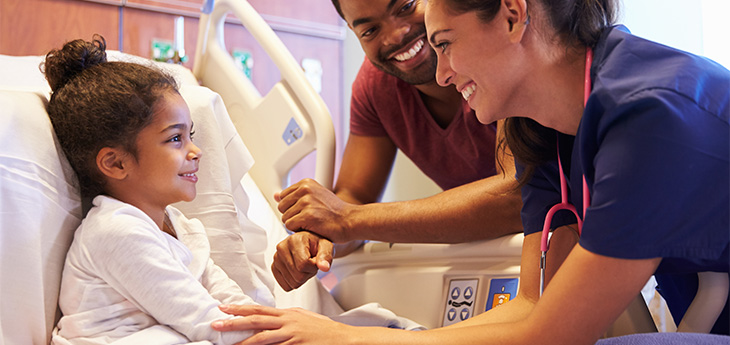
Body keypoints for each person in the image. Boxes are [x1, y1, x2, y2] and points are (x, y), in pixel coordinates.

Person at [211, 0, 730, 343]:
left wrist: (349, 337)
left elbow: (553, 334)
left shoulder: (652, 114)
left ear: (511, 15)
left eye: (445, 43)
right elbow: (532, 305)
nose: (438, 73)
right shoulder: (545, 130)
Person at [271, 0, 523, 292]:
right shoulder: (375, 86)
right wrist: (320, 238)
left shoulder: (499, 49)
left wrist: (346, 220)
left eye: (405, 6)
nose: (395, 35)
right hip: (489, 257)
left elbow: (516, 195)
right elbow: (354, 195)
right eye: (369, 30)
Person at [45, 36, 258, 344]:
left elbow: (233, 306)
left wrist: (284, 326)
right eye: (176, 138)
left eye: (191, 135)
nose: (196, 151)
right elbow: (211, 324)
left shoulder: (179, 226)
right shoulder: (115, 232)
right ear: (116, 163)